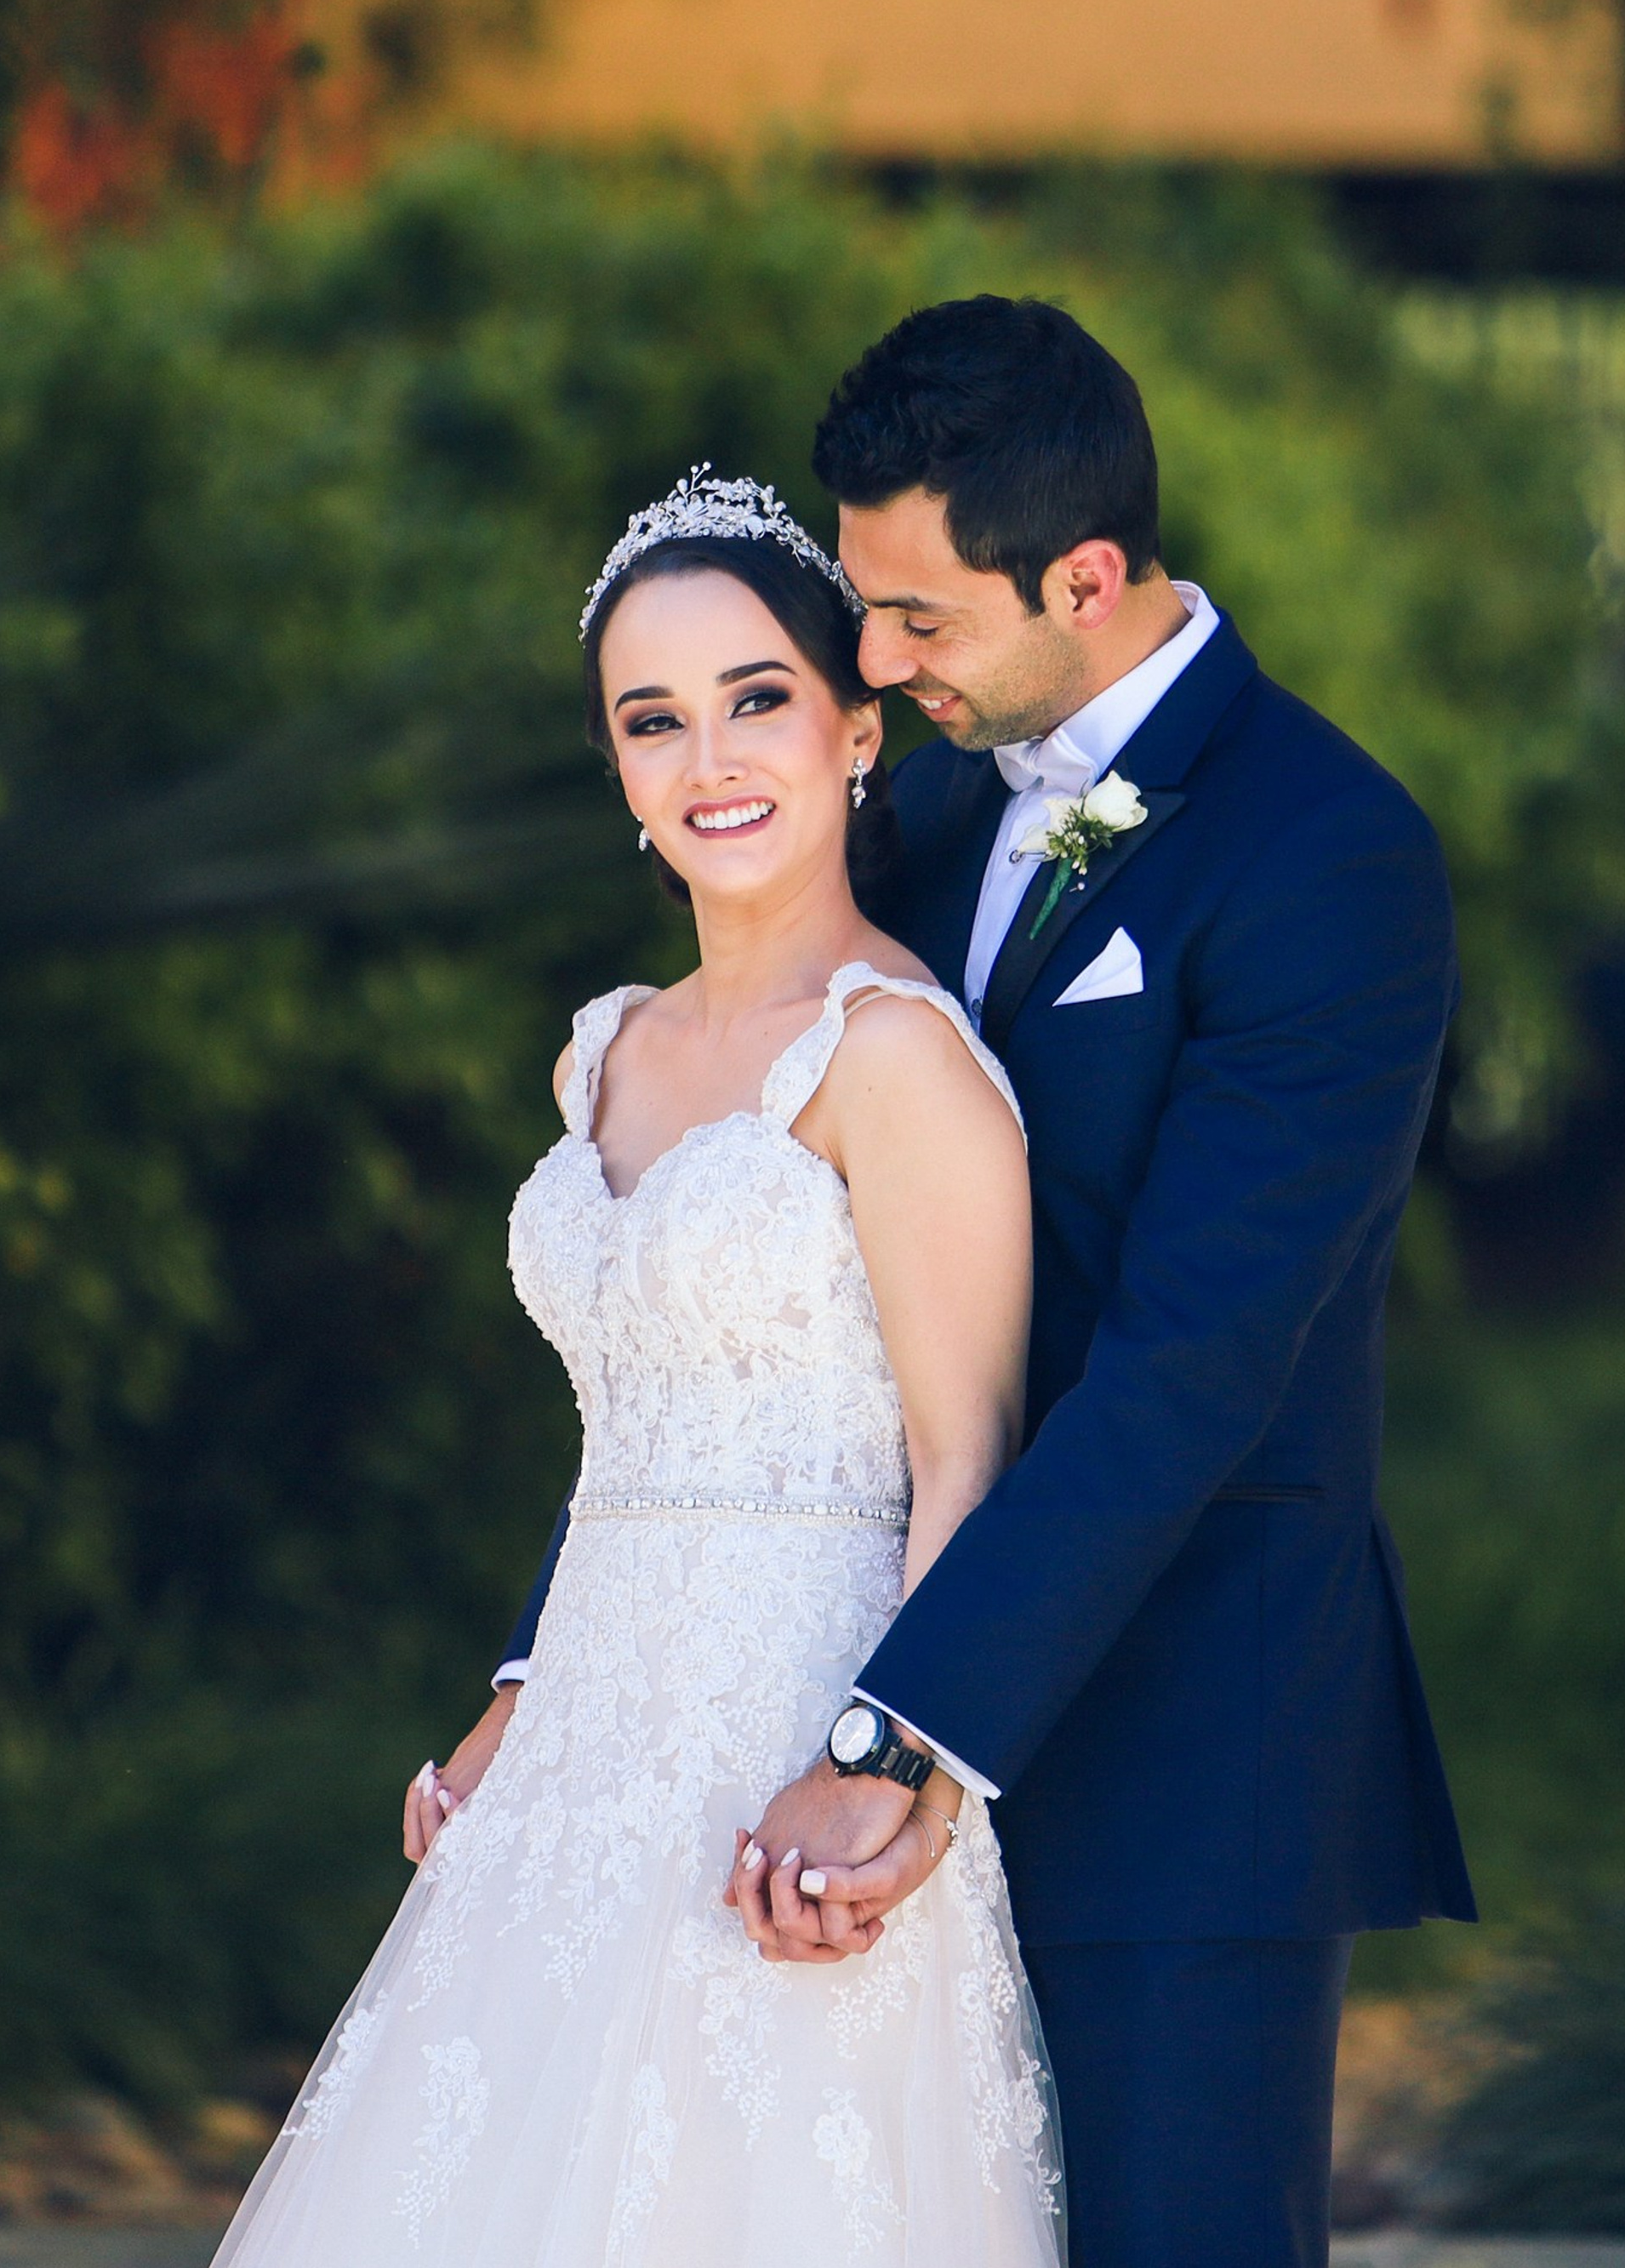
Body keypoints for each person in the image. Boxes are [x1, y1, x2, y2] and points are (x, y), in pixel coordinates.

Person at [476, 298, 1474, 2268]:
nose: (870, 661)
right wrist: (566, 1679)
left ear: (1083, 579)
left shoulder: (1325, 858)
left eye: (917, 618)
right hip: (819, 1692)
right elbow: (722, 1313)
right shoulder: (912, 803)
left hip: (1177, 1732)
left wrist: (902, 1736)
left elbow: (1196, 1361)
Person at [213, 471, 1063, 2268]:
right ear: (615, 768)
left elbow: (968, 1471)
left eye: (756, 697)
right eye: (650, 720)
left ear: (850, 729)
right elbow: (630, 1443)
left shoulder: (893, 1058)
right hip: (581, 1766)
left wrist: (883, 1769)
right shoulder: (603, 1052)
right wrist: (517, 1710)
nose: (709, 758)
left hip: (791, 1751)